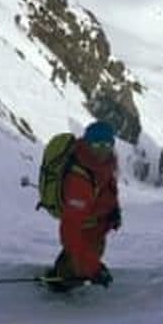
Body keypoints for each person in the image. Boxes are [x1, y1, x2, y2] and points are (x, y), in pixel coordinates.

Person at [46, 121, 122, 292]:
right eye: (97, 144)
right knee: (78, 264)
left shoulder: (102, 165)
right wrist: (93, 268)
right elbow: (70, 231)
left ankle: (68, 270)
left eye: (107, 145)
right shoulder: (79, 180)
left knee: (84, 253)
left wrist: (113, 211)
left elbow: (107, 189)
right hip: (84, 228)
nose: (102, 150)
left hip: (95, 227)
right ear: (88, 144)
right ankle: (62, 282)